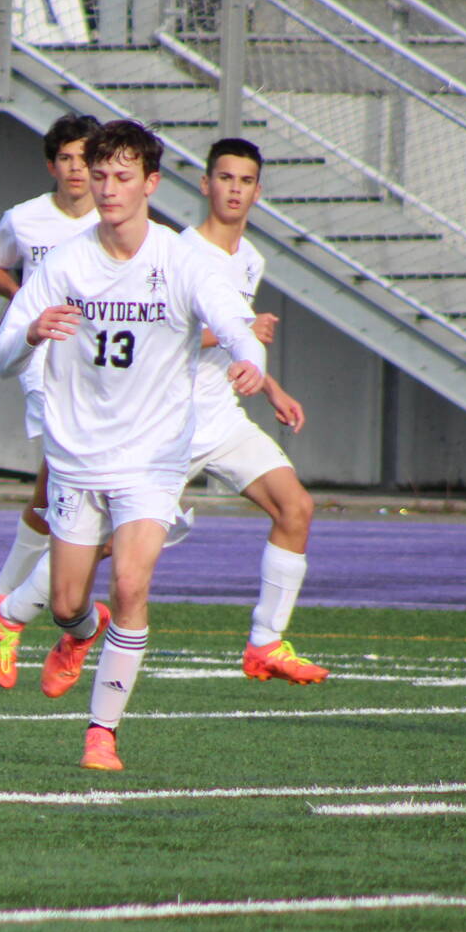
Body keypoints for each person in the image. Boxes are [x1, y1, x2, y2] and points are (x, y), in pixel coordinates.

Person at [0, 119, 265, 772]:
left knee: (135, 581)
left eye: (120, 176)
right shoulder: (66, 263)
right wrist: (32, 335)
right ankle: (79, 631)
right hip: (78, 455)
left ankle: (101, 733)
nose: (107, 188)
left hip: (153, 454)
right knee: (65, 603)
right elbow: (4, 352)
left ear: (150, 183)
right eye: (99, 173)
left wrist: (249, 357)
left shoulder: (182, 258)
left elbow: (234, 320)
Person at [174, 138, 328, 684]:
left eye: (245, 180)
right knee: (102, 548)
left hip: (222, 418)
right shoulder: (180, 254)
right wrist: (237, 332)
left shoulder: (251, 259)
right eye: (224, 177)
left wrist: (271, 389)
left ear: (257, 192)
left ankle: (265, 642)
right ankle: (21, 604)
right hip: (167, 423)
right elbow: (167, 337)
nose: (234, 189)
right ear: (205, 184)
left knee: (296, 508)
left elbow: (241, 342)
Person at [0, 112, 101, 675]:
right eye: (67, 159)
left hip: (98, 367)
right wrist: (29, 296)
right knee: (74, 484)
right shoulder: (24, 220)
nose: (77, 170)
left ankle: (4, 598)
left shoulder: (116, 220)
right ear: (52, 165)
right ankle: (20, 609)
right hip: (42, 359)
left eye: (85, 159)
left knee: (54, 490)